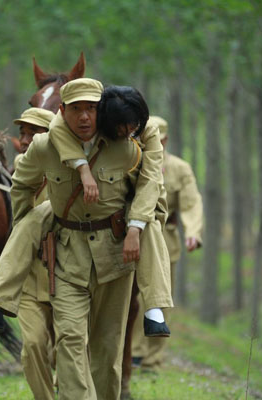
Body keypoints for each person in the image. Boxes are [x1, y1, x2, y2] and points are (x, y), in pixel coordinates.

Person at [0, 78, 151, 399]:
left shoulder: (124, 147)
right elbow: (22, 187)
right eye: (76, 109)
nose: (84, 116)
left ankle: (157, 308)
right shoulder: (42, 149)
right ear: (63, 112)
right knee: (67, 340)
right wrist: (27, 226)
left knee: (107, 348)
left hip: (113, 258)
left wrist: (135, 227)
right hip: (65, 259)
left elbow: (149, 187)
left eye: (91, 108)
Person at [48, 86, 175, 336]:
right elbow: (55, 127)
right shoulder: (92, 120)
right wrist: (83, 168)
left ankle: (154, 308)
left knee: (149, 226)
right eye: (120, 130)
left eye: (132, 128)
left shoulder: (148, 130)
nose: (127, 133)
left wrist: (135, 227)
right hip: (109, 197)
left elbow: (150, 181)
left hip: (143, 196)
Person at [131, 115, 203, 371]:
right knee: (130, 299)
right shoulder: (128, 160)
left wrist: (193, 231)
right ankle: (131, 352)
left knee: (159, 299)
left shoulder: (180, 169)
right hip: (129, 240)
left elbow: (191, 202)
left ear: (166, 140)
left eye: (159, 141)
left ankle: (152, 358)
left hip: (164, 240)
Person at [13, 107, 57, 400]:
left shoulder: (72, 168)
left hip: (68, 271)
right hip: (30, 271)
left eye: (34, 133)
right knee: (32, 344)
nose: (25, 140)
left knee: (70, 347)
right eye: (23, 133)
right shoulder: (22, 165)